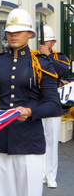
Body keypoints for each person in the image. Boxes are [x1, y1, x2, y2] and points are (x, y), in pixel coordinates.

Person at [0, 8, 60, 196]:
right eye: (10, 31)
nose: (13, 35)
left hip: (30, 142)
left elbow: (54, 105)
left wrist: (30, 112)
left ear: (30, 33)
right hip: (1, 140)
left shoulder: (42, 64)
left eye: (19, 31)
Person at [38, 25, 70, 188]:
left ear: (53, 42)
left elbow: (61, 71)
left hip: (52, 103)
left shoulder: (59, 57)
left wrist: (48, 55)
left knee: (51, 142)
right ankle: (40, 173)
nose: (42, 44)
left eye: (46, 41)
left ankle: (51, 175)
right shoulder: (34, 57)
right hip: (36, 103)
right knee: (38, 141)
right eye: (40, 42)